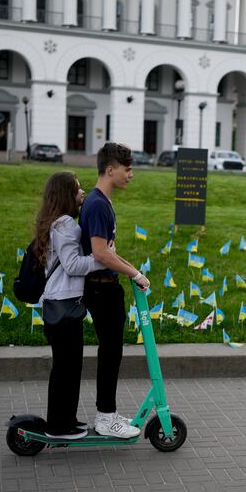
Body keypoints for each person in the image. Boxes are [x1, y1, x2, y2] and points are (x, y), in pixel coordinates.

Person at [80, 142, 150, 438]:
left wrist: (135, 273)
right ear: (111, 169)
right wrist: (133, 272)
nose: (131, 175)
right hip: (101, 290)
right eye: (128, 168)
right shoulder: (97, 204)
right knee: (111, 353)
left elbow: (109, 252)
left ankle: (107, 413)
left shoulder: (101, 202)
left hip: (107, 287)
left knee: (113, 352)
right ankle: (106, 419)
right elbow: (100, 254)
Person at [35, 171, 104, 440]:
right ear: (66, 195)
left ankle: (66, 419)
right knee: (65, 367)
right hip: (61, 305)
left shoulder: (58, 222)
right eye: (77, 190)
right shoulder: (64, 225)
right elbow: (73, 265)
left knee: (70, 366)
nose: (82, 193)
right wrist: (102, 258)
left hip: (64, 303)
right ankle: (58, 426)